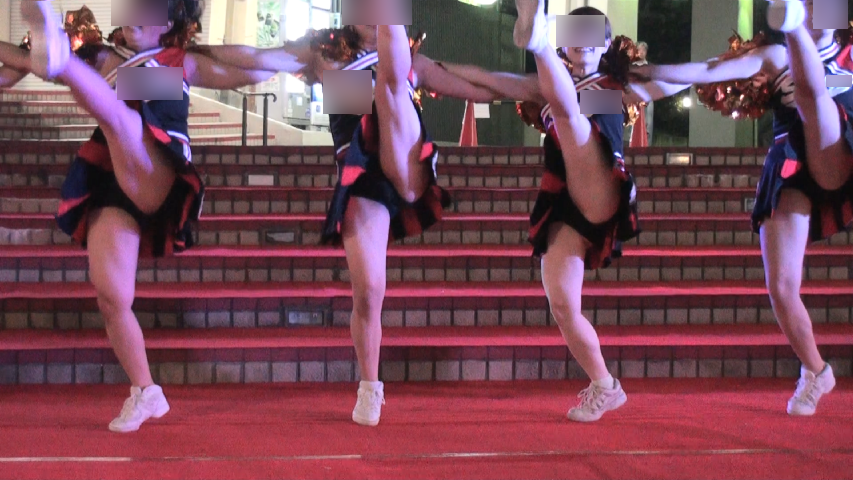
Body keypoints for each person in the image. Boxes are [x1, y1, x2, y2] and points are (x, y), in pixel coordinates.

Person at [189, 4, 504, 426]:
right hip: (362, 176)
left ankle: (393, 81)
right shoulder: (325, 56)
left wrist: (546, 89)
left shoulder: (414, 63)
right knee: (369, 289)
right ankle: (370, 385)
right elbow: (257, 58)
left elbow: (484, 85)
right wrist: (187, 49)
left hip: (406, 161)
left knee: (391, 85)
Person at [0, 0, 278, 432]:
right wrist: (39, 55)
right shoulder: (102, 53)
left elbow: (257, 69)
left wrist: (303, 59)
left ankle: (61, 62)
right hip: (113, 179)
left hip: (158, 171)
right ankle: (146, 391)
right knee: (111, 295)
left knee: (119, 115)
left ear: (166, 22)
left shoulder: (181, 62)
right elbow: (19, 64)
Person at [436, 0, 688, 422]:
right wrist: (428, 66)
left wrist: (735, 68)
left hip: (602, 186)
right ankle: (605, 385)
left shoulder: (618, 86)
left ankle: (535, 40)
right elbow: (489, 80)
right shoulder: (544, 89)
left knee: (570, 111)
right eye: (574, 34)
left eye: (591, 35)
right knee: (563, 305)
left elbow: (681, 77)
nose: (581, 42)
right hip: (564, 201)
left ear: (606, 44)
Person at [632, 0, 852, 415]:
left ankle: (793, 30)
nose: (820, 8)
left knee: (818, 100)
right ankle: (815, 370)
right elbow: (707, 71)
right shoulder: (774, 56)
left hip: (839, 150)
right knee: (781, 286)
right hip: (790, 164)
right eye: (808, 3)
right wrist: (652, 70)